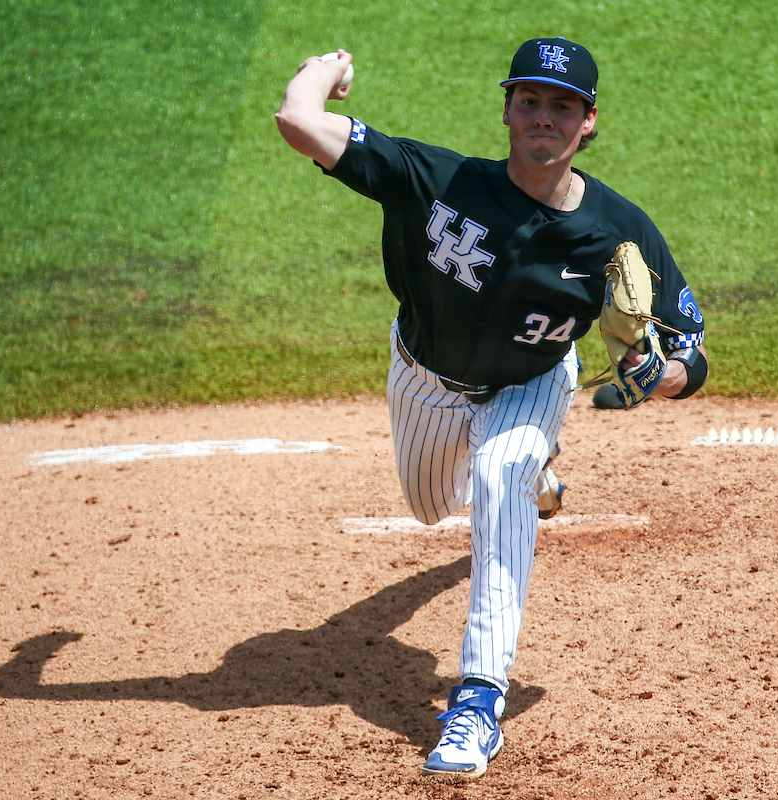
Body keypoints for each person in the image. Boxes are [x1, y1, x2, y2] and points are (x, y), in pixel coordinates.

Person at [275, 36, 707, 778]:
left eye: (563, 106)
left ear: (590, 121)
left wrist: (656, 372)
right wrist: (326, 71)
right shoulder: (436, 180)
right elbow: (298, 123)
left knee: (502, 470)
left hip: (534, 380)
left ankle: (477, 702)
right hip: (424, 380)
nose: (546, 116)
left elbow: (694, 353)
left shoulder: (619, 230)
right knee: (430, 505)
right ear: (507, 108)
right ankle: (539, 475)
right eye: (531, 100)